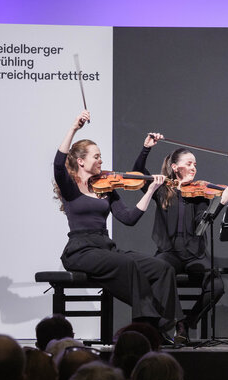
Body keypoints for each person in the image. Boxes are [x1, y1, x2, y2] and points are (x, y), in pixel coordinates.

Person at [53, 110, 182, 340]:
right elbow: (58, 163)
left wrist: (150, 190)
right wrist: (74, 128)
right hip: (81, 250)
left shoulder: (106, 189)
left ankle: (167, 325)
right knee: (126, 263)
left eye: (101, 156)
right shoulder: (71, 189)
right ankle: (148, 326)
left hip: (104, 248)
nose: (101, 161)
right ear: (81, 161)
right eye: (96, 156)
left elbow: (129, 218)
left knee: (162, 268)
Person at [132, 132, 228, 344]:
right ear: (175, 167)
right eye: (189, 163)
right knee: (157, 273)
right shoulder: (161, 190)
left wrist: (220, 204)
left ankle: (190, 321)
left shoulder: (199, 194)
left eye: (195, 164)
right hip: (168, 253)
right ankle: (176, 322)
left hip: (194, 253)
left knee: (217, 286)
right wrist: (147, 148)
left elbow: (203, 223)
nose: (194, 168)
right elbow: (137, 172)